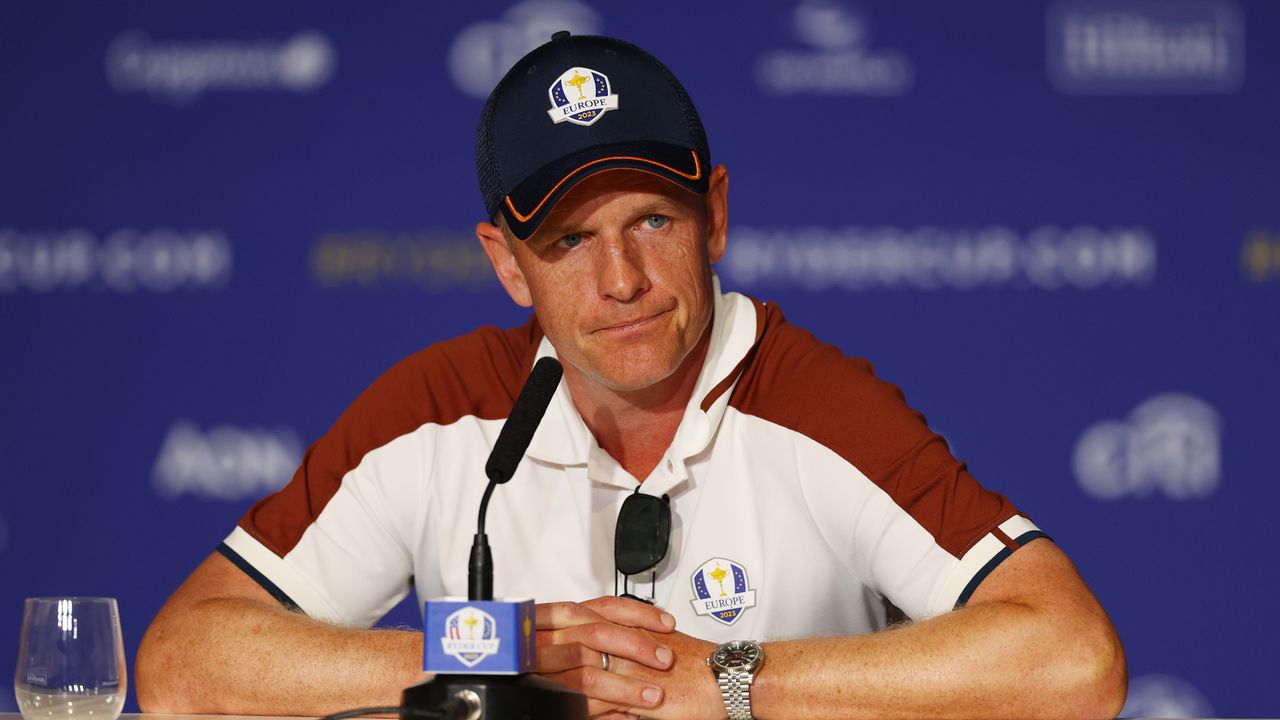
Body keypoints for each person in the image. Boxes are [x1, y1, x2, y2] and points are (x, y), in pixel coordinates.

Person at [136, 32, 1126, 719]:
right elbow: (183, 665)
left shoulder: (814, 404)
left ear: (717, 218)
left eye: (652, 221)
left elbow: (1071, 659)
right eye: (569, 241)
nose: (621, 282)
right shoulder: (438, 410)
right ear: (504, 263)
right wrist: (499, 658)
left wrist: (725, 681)